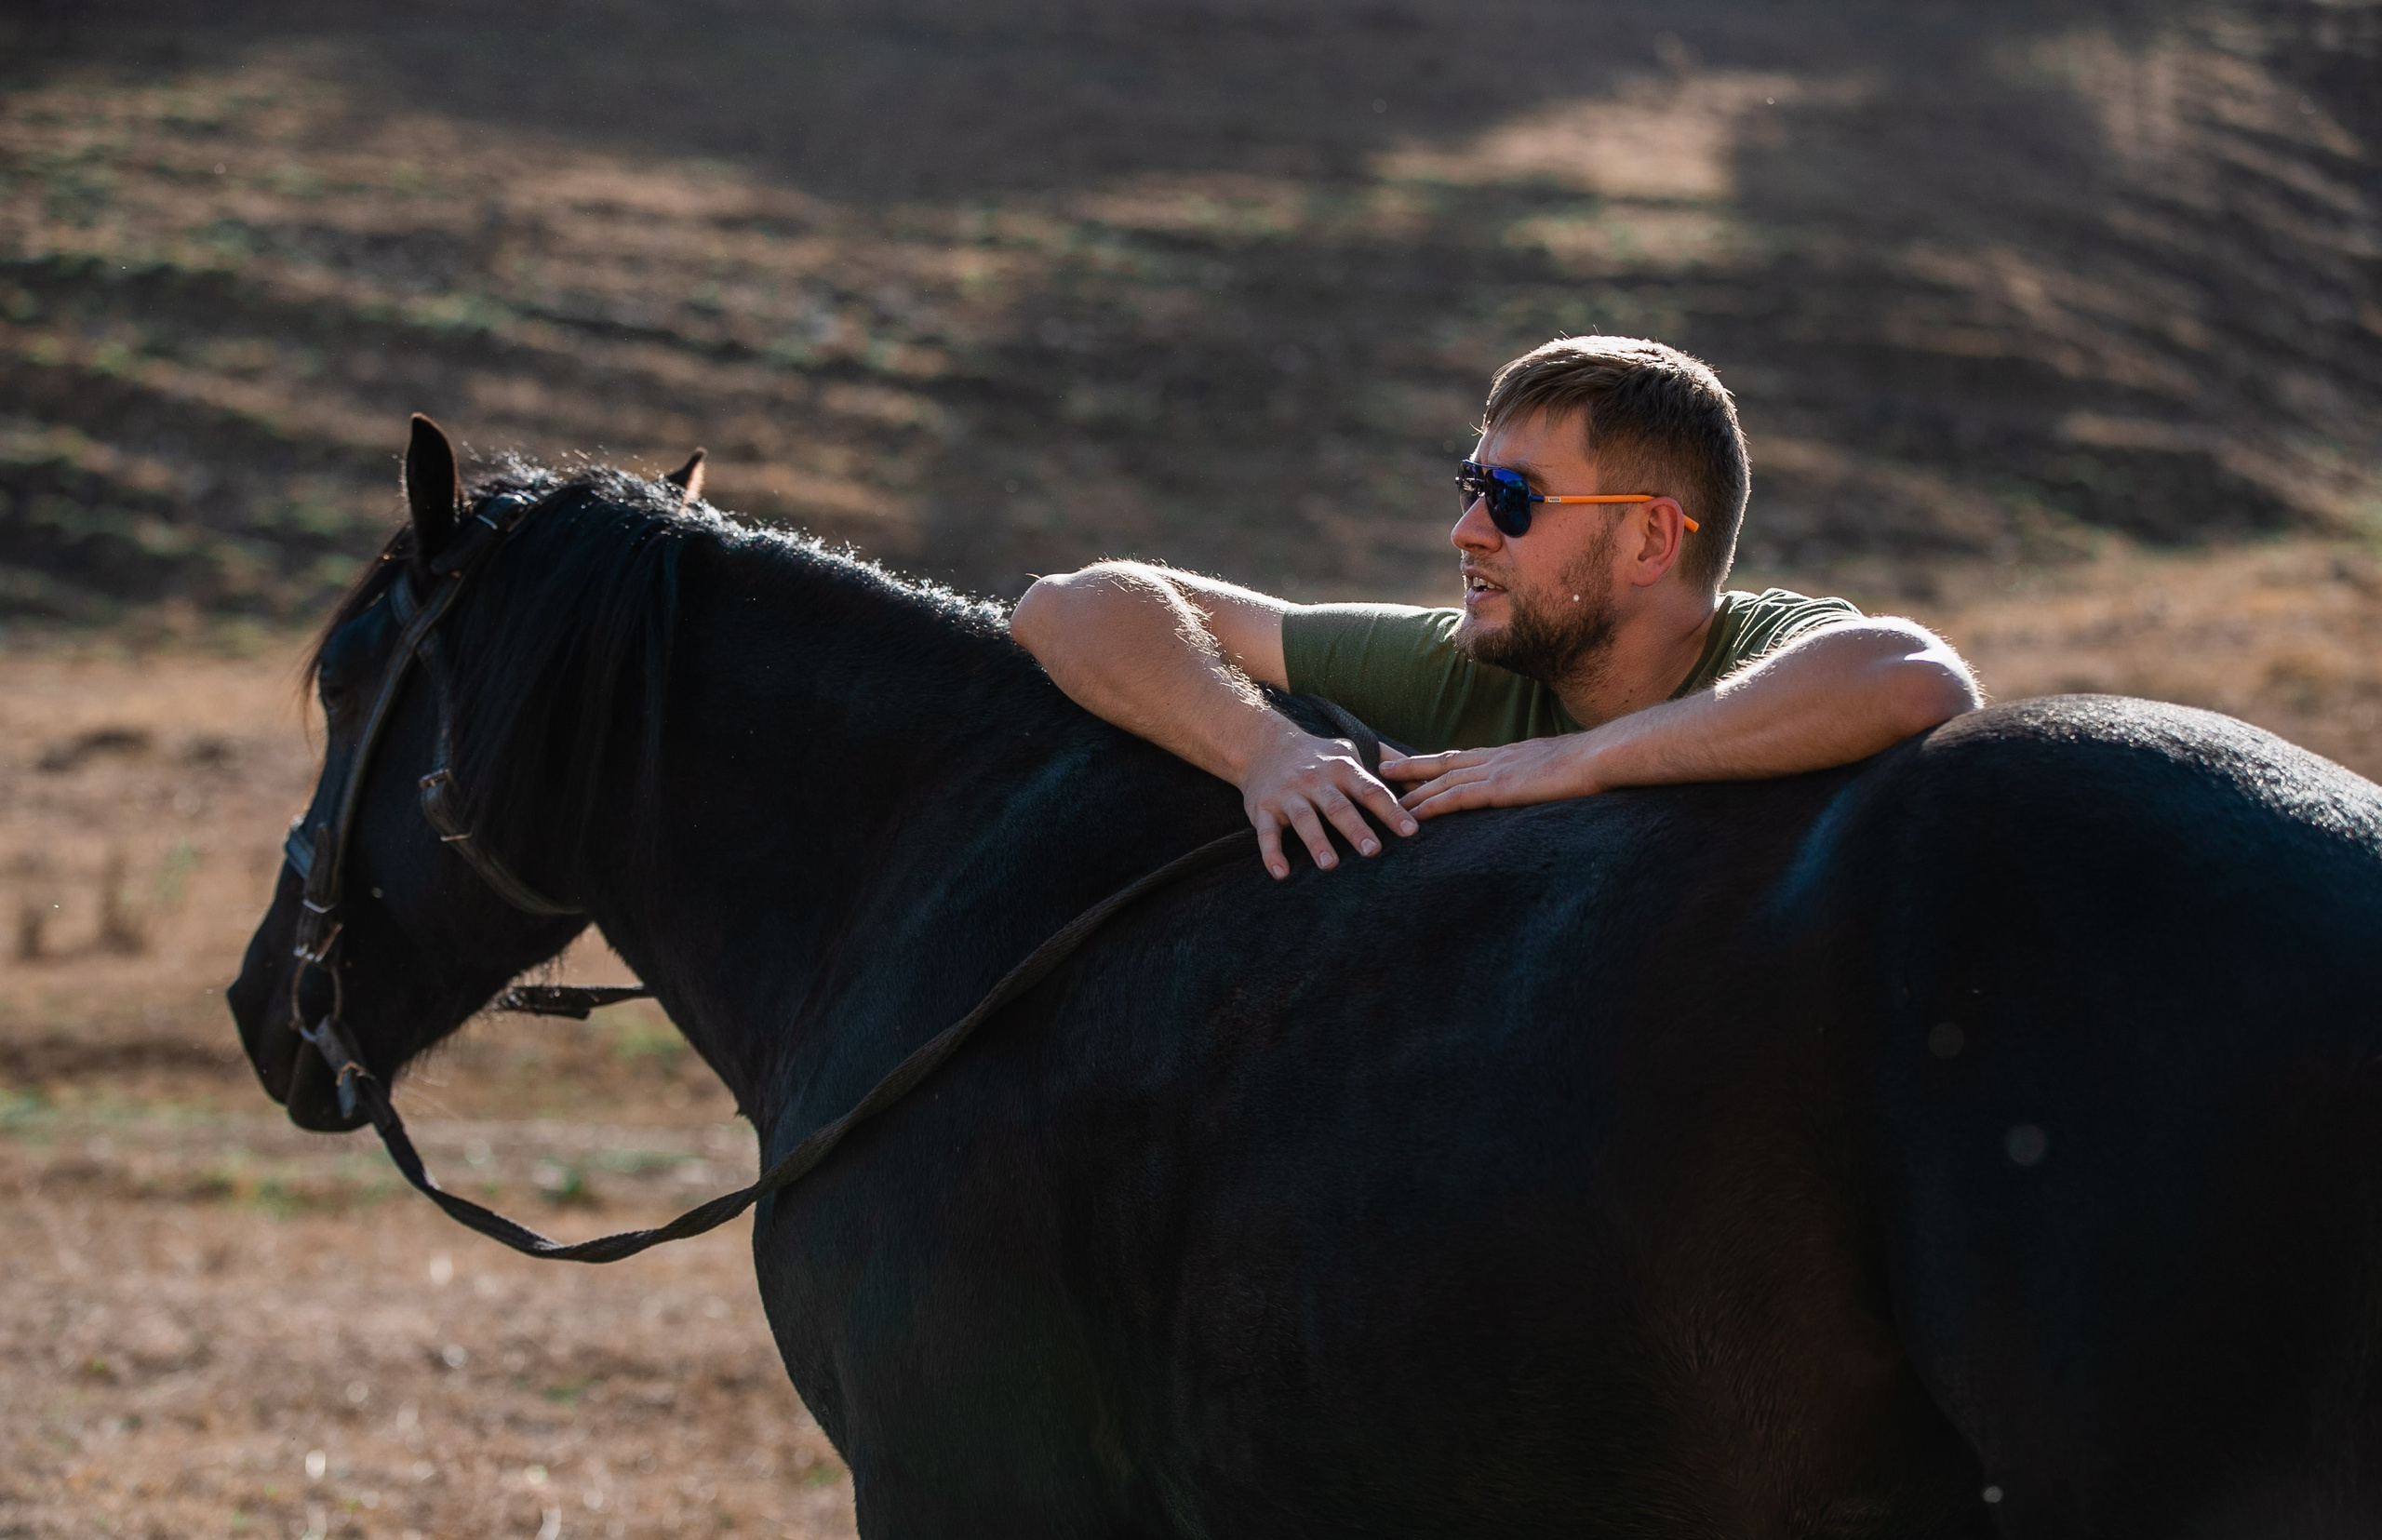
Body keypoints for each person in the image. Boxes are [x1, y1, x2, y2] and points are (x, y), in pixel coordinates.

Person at [1010, 335, 1980, 880]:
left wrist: (1582, 759)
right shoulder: (1460, 658)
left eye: (1513, 499)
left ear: (1649, 539)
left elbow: (1912, 679)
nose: (1466, 531)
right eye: (1468, 485)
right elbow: (1070, 607)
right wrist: (1263, 750)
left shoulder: (1763, 648)